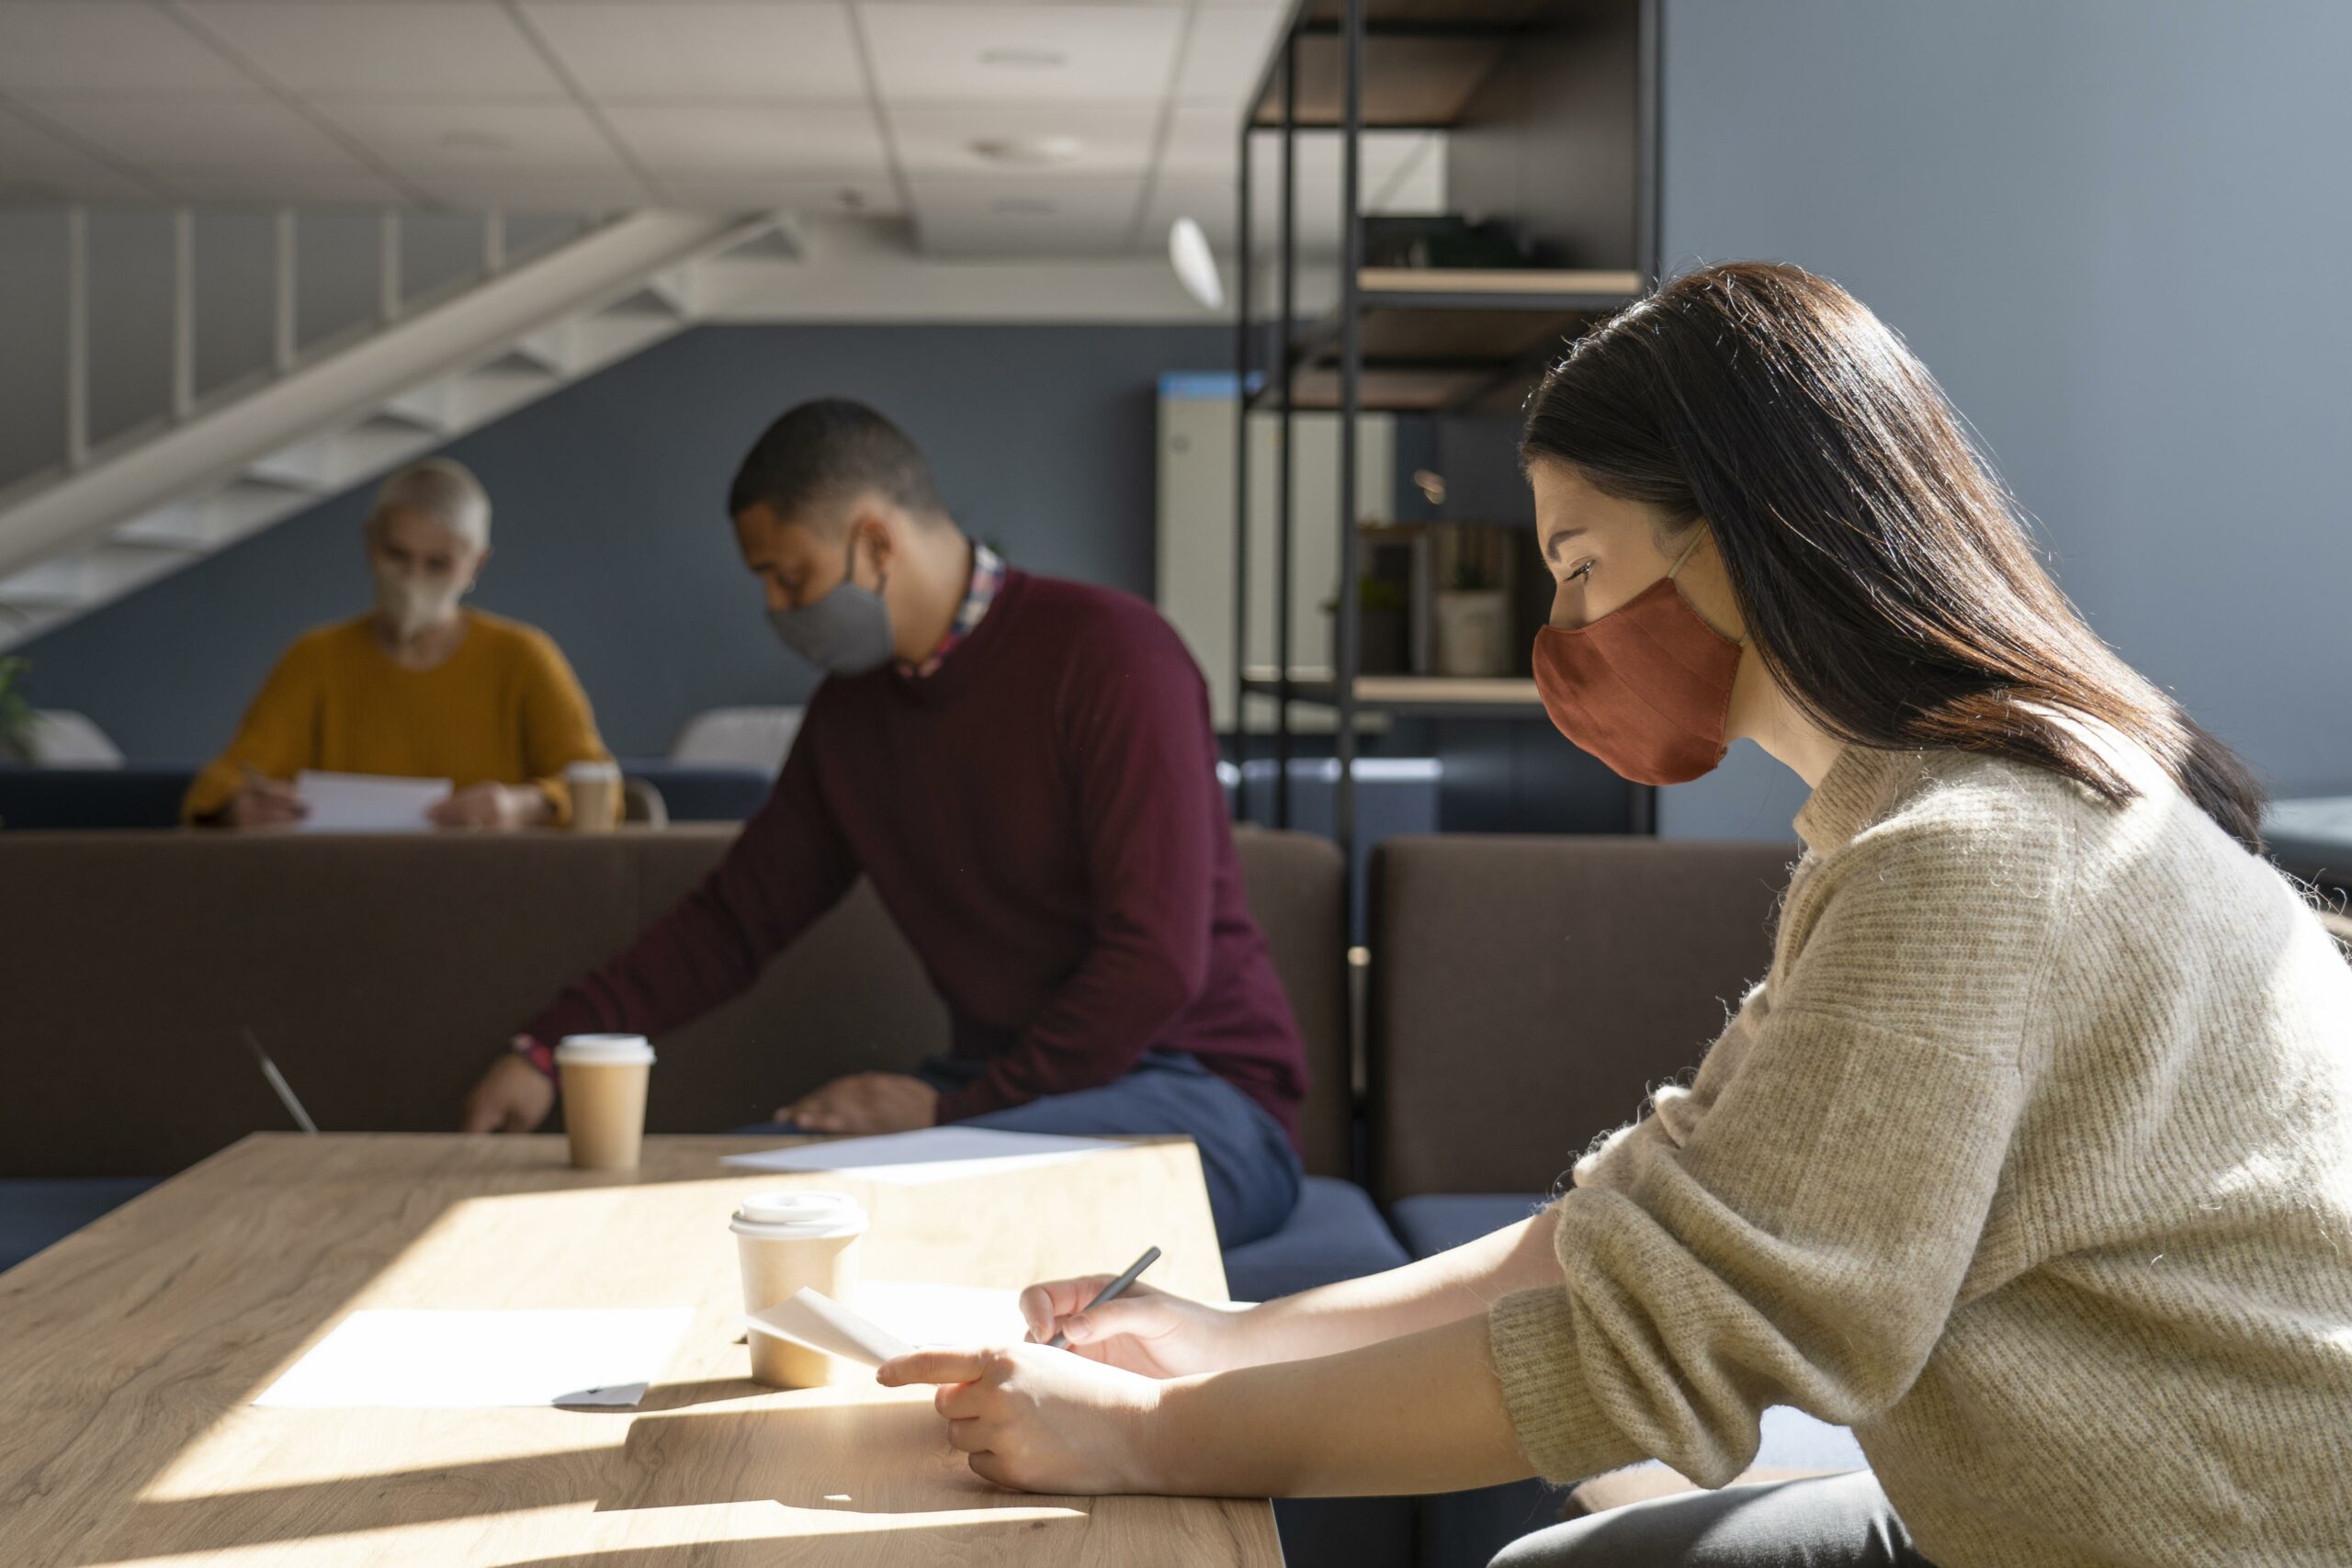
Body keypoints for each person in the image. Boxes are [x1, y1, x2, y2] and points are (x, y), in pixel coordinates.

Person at [870, 264, 2352, 1567]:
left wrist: (1156, 1437)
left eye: (1580, 566)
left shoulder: (1968, 860)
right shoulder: (1938, 821)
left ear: (1738, 536)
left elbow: (1655, 1345)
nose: (1564, 637)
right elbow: (1630, 1223)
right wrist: (1226, 1336)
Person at [459, 400, 1307, 1248]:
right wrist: (547, 1047)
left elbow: (1154, 961)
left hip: (1203, 1094)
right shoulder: (849, 718)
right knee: (729, 1204)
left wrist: (947, 1112)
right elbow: (733, 922)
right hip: (1001, 1093)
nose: (775, 608)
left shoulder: (1115, 655)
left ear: (875, 542)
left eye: (789, 578)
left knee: (897, 1219)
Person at [184, 458, 616, 829]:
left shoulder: (524, 659)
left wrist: (523, 807)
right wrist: (240, 807)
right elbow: (221, 783)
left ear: (476, 565)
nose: (413, 579)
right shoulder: (315, 659)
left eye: (438, 564)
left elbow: (601, 787)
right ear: (372, 544)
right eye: (398, 555)